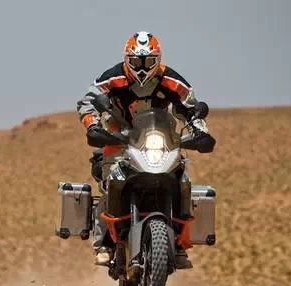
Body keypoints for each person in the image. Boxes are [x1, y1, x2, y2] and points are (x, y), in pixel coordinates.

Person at [77, 31, 216, 268]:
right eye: (136, 61)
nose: (142, 67)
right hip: (119, 136)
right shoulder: (112, 77)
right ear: (127, 59)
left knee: (182, 178)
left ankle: (180, 244)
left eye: (148, 61)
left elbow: (191, 107)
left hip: (160, 138)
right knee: (111, 178)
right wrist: (93, 126)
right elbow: (88, 102)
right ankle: (103, 243)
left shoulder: (171, 80)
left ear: (157, 60)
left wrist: (200, 130)